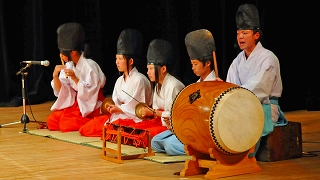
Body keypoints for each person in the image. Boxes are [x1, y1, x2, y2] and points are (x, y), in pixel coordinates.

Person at [226, 4, 288, 157]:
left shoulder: (268, 58)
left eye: (245, 33)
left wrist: (236, 95)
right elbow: (230, 86)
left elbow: (260, 88)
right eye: (238, 32)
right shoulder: (238, 60)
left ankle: (244, 156)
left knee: (243, 131)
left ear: (256, 35)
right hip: (242, 105)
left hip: (264, 106)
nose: (240, 36)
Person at [150, 29, 218, 156]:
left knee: (170, 145)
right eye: (192, 64)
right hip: (190, 129)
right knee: (155, 141)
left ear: (208, 63)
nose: (193, 68)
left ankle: (201, 151)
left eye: (195, 64)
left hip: (203, 133)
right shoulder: (195, 86)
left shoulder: (216, 85)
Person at [79, 28, 155, 137]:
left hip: (134, 119)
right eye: (116, 59)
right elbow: (115, 101)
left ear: (131, 61)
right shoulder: (119, 80)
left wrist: (118, 109)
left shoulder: (139, 79)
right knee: (87, 128)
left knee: (110, 131)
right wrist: (110, 106)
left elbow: (138, 109)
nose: (117, 62)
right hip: (119, 115)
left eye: (120, 59)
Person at [46, 22, 106, 132]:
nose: (60, 55)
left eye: (62, 53)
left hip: (91, 105)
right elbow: (62, 91)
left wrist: (75, 79)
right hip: (76, 104)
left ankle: (96, 120)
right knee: (52, 121)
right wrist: (55, 76)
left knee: (66, 124)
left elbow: (90, 92)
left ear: (73, 52)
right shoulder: (69, 65)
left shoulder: (90, 66)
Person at [138, 39, 186, 155]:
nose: (148, 72)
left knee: (167, 145)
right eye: (147, 69)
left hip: (179, 127)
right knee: (155, 142)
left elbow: (172, 114)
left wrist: (153, 112)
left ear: (163, 69)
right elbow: (157, 110)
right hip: (166, 126)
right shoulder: (158, 85)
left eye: (150, 69)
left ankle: (190, 149)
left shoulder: (173, 85)